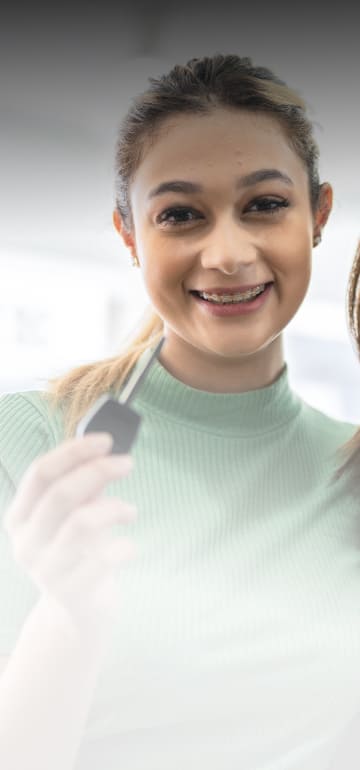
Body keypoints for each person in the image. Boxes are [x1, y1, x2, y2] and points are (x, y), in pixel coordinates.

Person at [0, 53, 359, 770]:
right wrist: (68, 617)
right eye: (181, 215)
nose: (227, 253)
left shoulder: (351, 470)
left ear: (317, 215)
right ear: (130, 235)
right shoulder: (33, 444)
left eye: (265, 204)